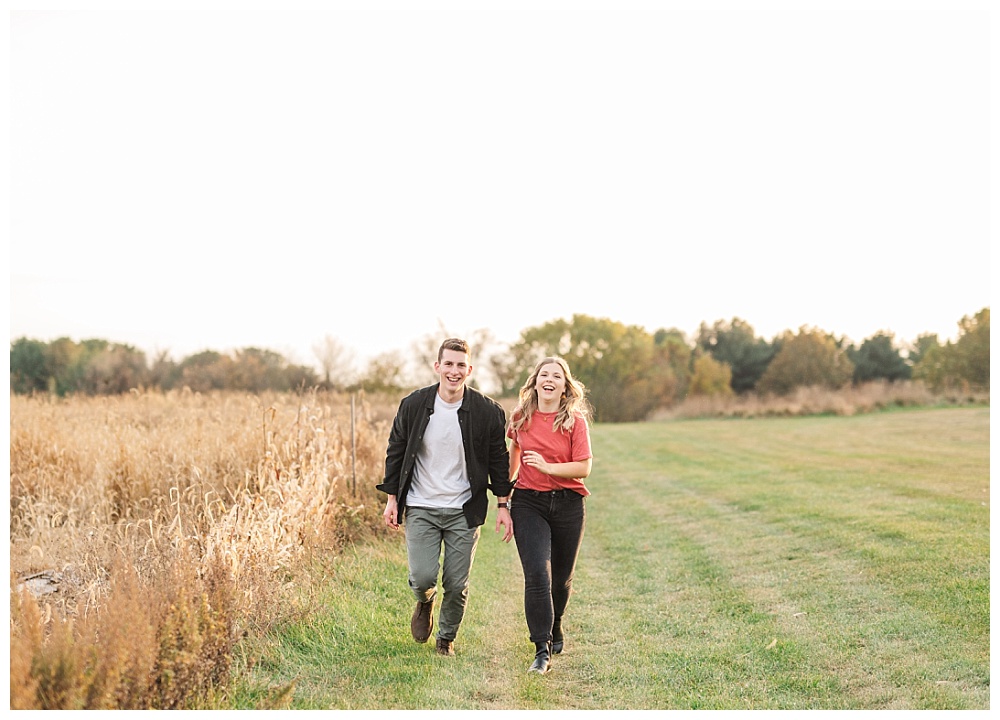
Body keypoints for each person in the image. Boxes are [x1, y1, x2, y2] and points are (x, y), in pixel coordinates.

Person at [377, 338, 514, 657]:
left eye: (460, 365)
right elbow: (396, 451)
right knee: (422, 575)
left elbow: (498, 459)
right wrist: (392, 499)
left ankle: (446, 639)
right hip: (422, 505)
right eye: (448, 364)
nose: (454, 371)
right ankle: (424, 602)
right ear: (437, 366)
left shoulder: (487, 411)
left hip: (464, 510)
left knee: (456, 583)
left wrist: (504, 505)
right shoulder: (413, 404)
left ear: (470, 369)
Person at [507, 355, 593, 674]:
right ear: (536, 381)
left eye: (557, 376)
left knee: (561, 579)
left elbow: (584, 467)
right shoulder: (520, 417)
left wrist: (548, 467)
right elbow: (514, 454)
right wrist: (506, 494)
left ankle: (555, 623)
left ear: (564, 386)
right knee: (537, 574)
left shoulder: (574, 421)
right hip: (529, 503)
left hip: (569, 503)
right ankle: (541, 649)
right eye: (545, 374)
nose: (550, 379)